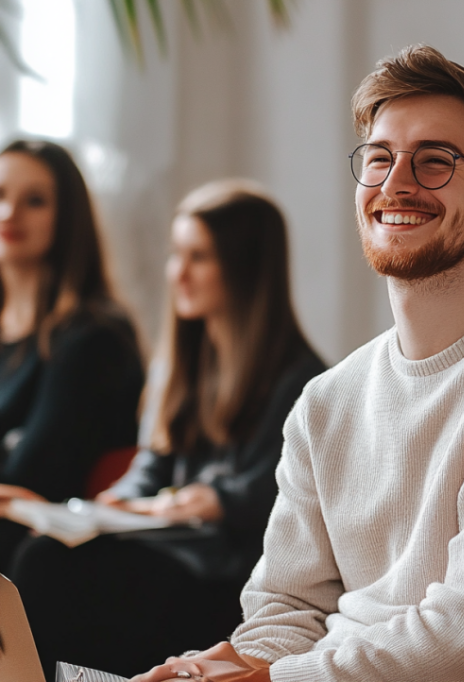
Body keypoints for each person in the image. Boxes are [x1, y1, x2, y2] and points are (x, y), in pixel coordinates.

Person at [133, 45, 464, 682]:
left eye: (436, 162)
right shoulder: (328, 399)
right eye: (379, 158)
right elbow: (286, 605)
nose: (395, 183)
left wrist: (271, 680)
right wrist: (231, 665)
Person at [10, 181, 326, 680]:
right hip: (165, 547)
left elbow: (280, 496)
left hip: (222, 573)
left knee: (52, 569)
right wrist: (116, 501)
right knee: (43, 551)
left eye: (198, 257)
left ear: (244, 269)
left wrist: (214, 499)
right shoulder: (180, 367)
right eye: (176, 254)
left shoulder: (303, 382)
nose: (178, 273)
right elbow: (150, 466)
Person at [0, 139, 143, 573]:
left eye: (35, 201)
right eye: (1, 195)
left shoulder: (94, 337)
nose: (10, 213)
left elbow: (30, 481)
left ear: (67, 218)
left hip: (48, 564)